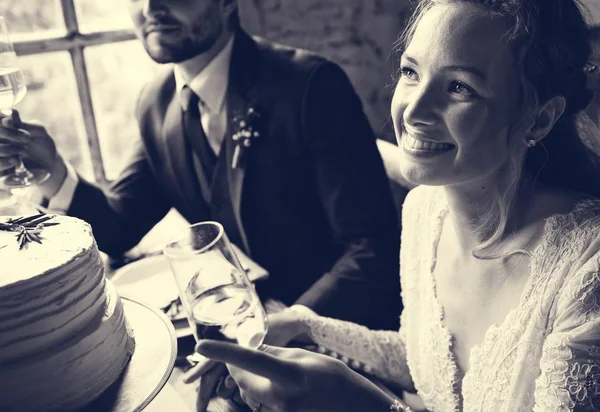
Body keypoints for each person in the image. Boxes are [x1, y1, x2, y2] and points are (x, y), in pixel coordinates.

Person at [194, 0, 600, 411]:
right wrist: (306, 326)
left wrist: (364, 404)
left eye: (459, 87)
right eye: (411, 72)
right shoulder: (424, 211)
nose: (414, 111)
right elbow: (422, 360)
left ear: (539, 119)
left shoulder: (587, 268)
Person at [0, 0, 401, 409]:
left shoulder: (311, 86)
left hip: (328, 348)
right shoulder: (156, 103)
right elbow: (120, 227)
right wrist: (53, 172)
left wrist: (290, 326)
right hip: (228, 339)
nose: (151, 7)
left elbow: (373, 249)